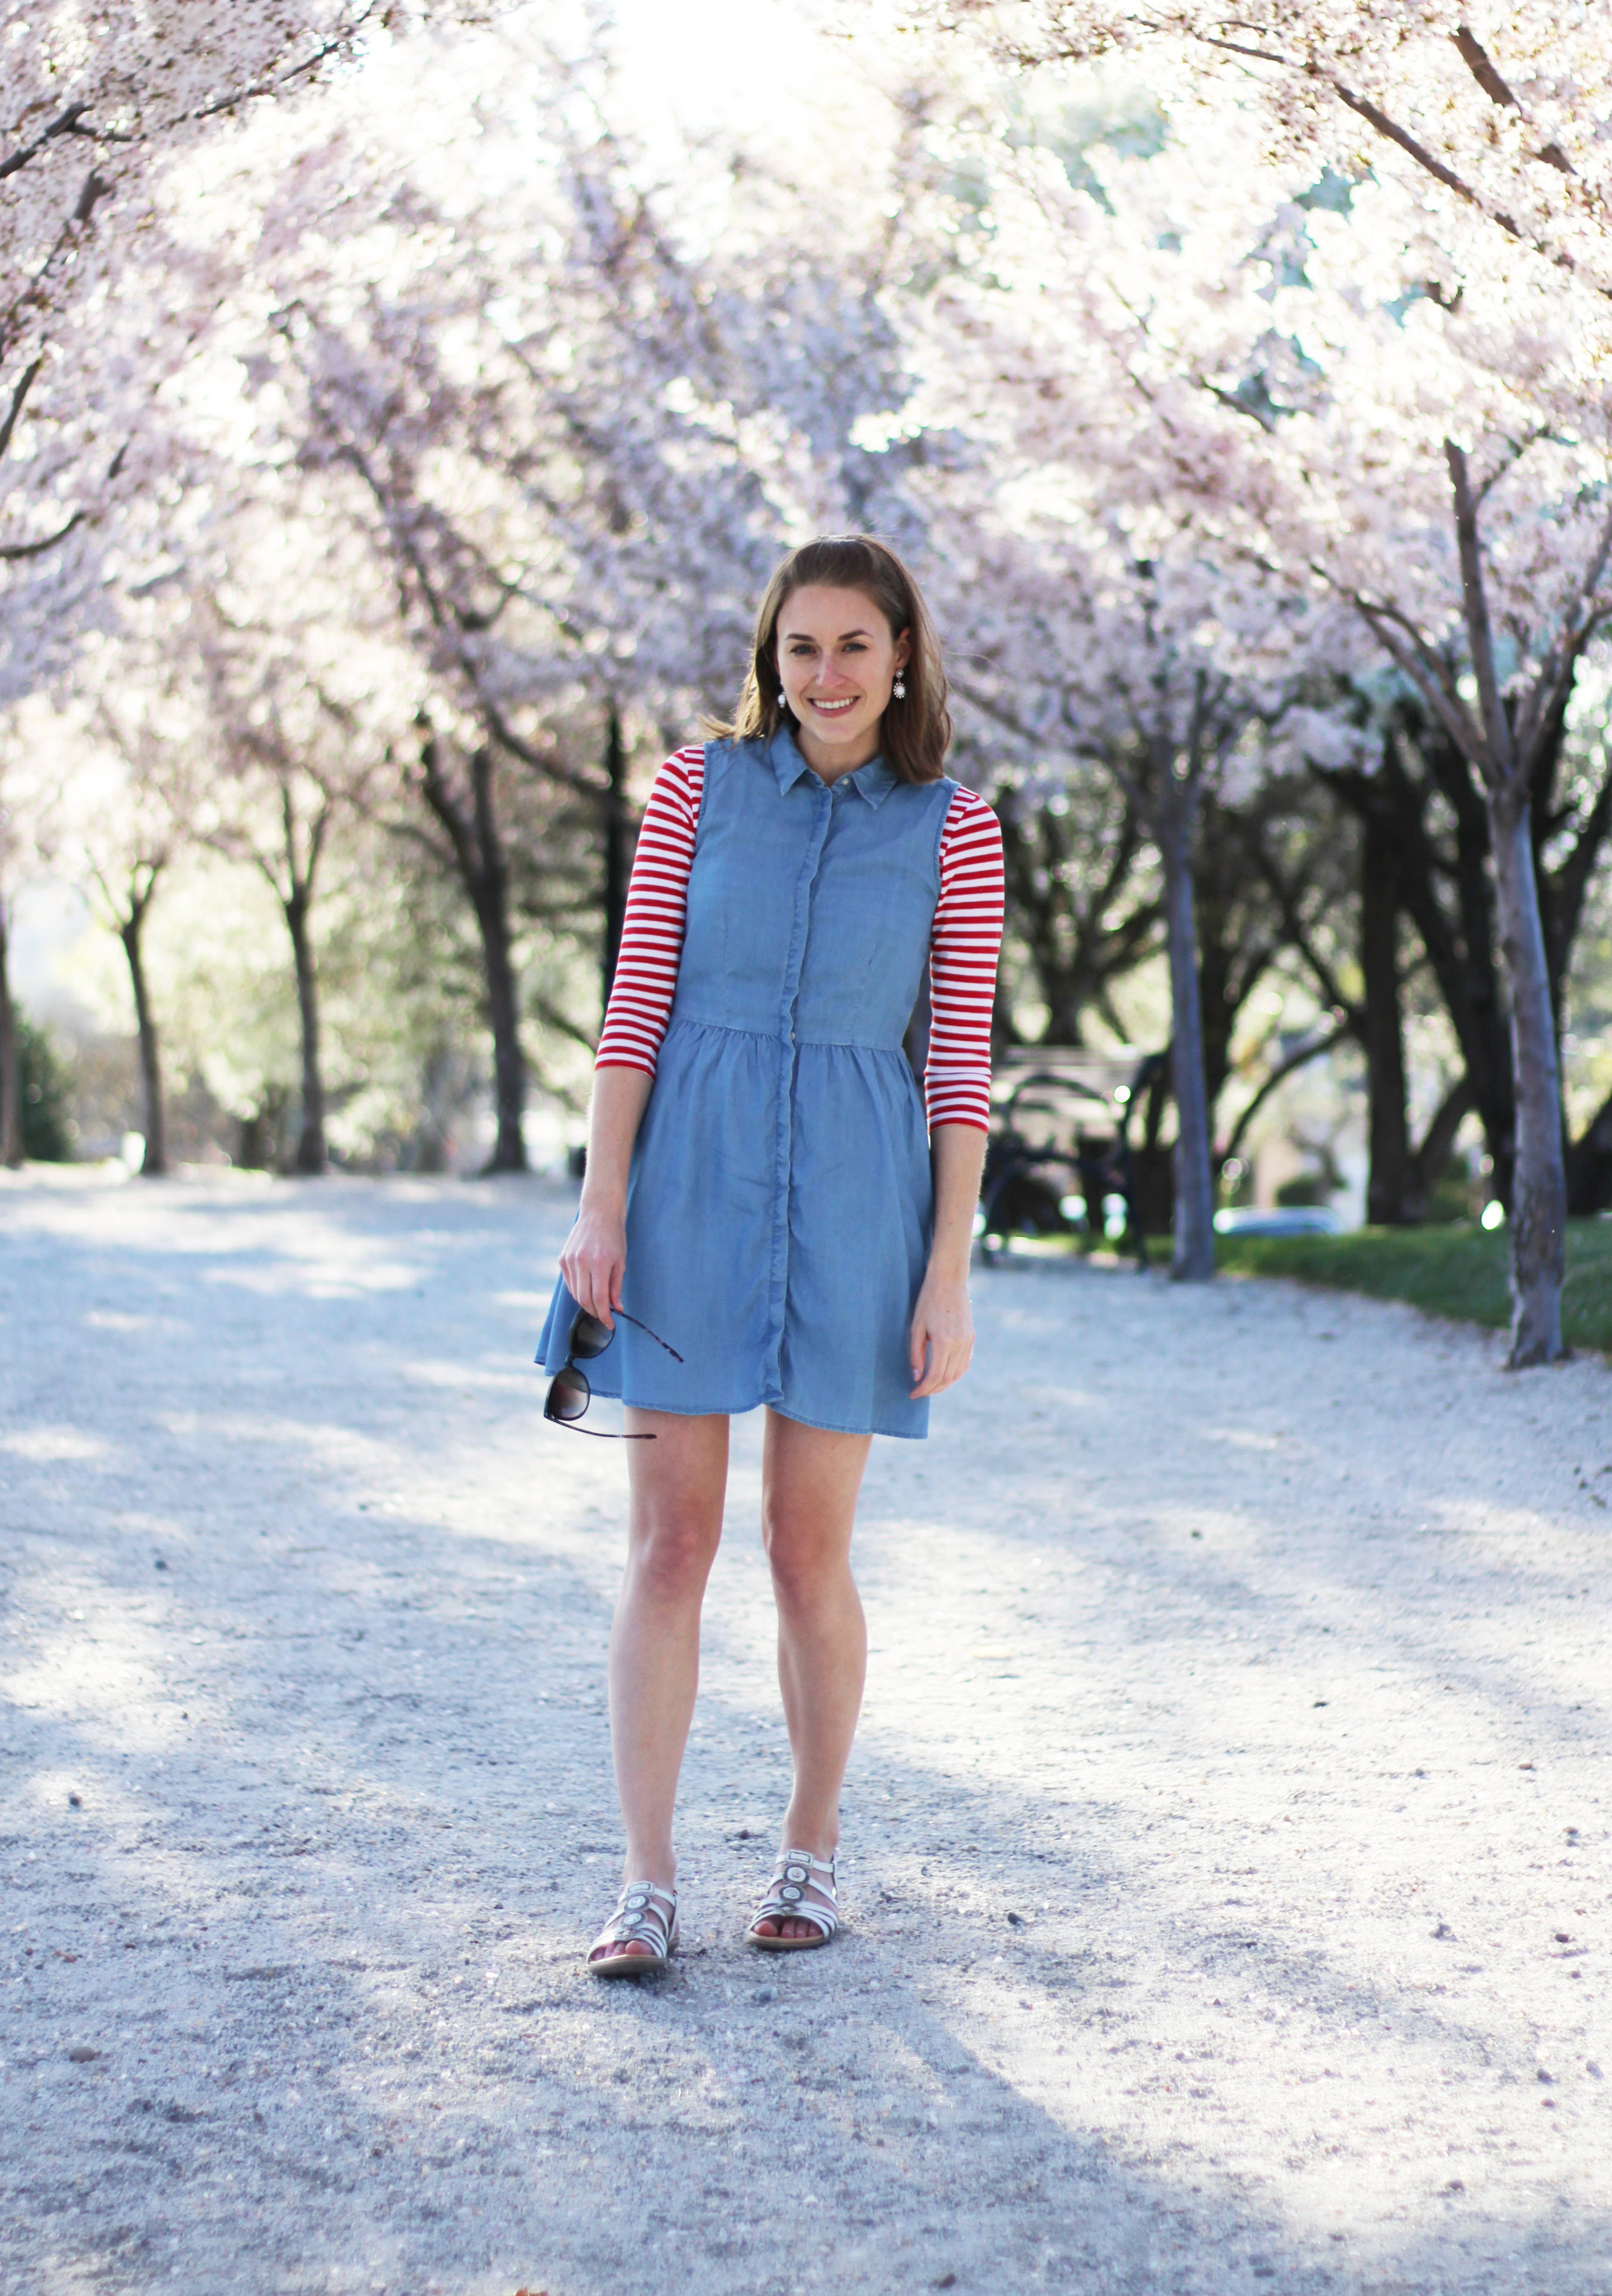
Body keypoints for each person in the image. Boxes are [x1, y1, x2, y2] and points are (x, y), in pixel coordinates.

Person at [535, 533, 1004, 1975]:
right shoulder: (696, 786)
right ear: (770, 658)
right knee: (669, 1542)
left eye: (854, 645)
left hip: (864, 1198)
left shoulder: (959, 828)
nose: (827, 674)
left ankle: (810, 1843)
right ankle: (646, 1881)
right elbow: (633, 1006)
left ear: (902, 654)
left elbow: (962, 1062)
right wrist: (600, 1206)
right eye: (801, 647)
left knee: (808, 1550)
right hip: (688, 1184)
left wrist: (946, 1266)